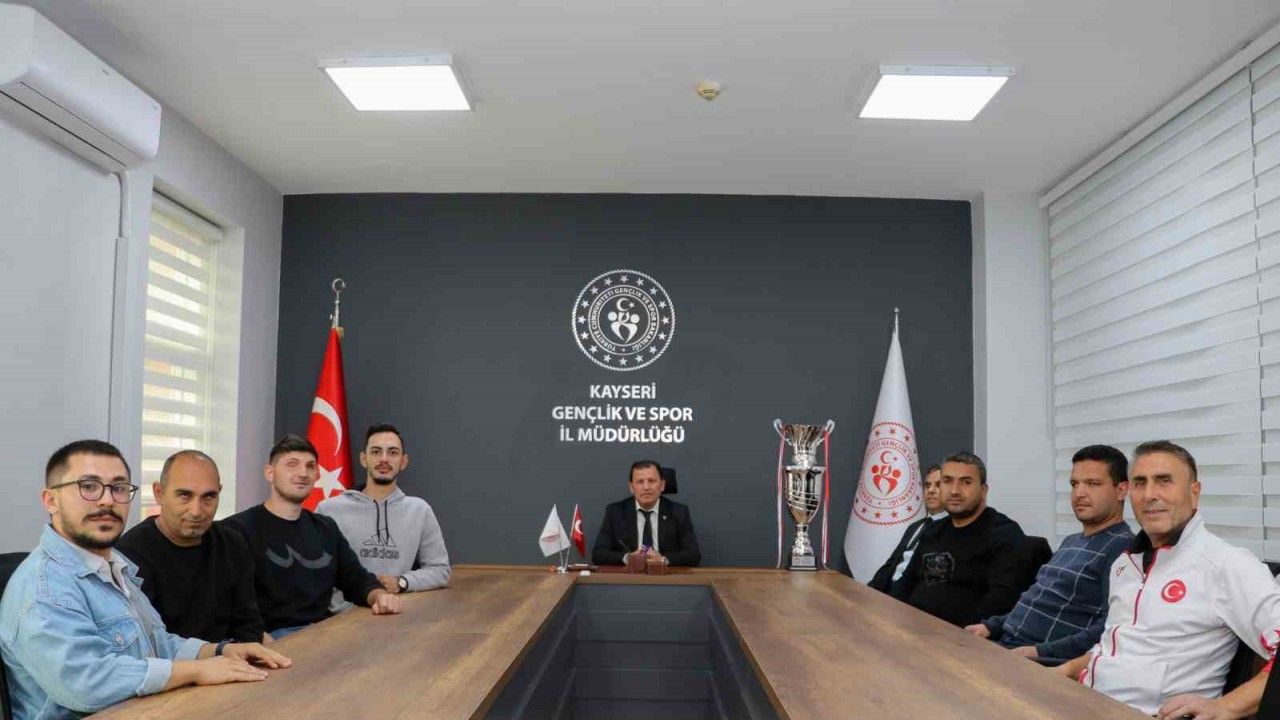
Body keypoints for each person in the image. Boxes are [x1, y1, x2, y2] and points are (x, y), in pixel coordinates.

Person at [0, 440, 290, 719]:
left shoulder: (114, 565)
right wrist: (198, 670)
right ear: (51, 500)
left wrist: (218, 651)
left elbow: (157, 643)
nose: (107, 500)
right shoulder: (43, 588)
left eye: (118, 488)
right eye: (88, 487)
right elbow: (87, 683)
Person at [1056, 440, 1280, 719]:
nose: (1150, 494)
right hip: (1084, 702)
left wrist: (1226, 706)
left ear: (1194, 493)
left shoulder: (1226, 564)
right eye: (1140, 483)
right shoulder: (1125, 564)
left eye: (1164, 481)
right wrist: (1065, 670)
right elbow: (1118, 649)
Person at [964, 445, 1133, 663]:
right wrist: (991, 626)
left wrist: (1039, 651)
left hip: (1040, 662)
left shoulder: (1122, 547)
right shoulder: (1070, 541)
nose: (1079, 493)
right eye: (1075, 484)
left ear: (1121, 490)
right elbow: (1038, 600)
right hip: (1006, 644)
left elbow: (1109, 628)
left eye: (1092, 484)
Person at [226, 434, 402, 639]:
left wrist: (378, 595)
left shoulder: (326, 528)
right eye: (292, 464)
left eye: (310, 466)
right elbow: (228, 604)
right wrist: (255, 637)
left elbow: (356, 579)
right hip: (270, 640)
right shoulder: (237, 530)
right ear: (269, 473)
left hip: (323, 634)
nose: (303, 473)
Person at [116, 450, 266, 643]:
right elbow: (145, 643)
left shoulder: (232, 543)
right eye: (185, 495)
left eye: (208, 497)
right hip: (171, 661)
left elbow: (249, 625)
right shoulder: (129, 556)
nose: (196, 511)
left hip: (233, 656)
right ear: (159, 493)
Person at [316, 424, 450, 608]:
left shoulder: (420, 510)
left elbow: (440, 570)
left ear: (403, 461)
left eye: (393, 452)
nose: (384, 459)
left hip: (396, 614)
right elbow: (313, 572)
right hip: (340, 617)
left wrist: (402, 582)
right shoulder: (329, 509)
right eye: (376, 452)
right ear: (364, 459)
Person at [890, 450, 1026, 627]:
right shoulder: (933, 530)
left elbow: (1000, 604)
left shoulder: (1004, 534)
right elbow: (904, 585)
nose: (954, 490)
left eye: (966, 482)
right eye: (947, 481)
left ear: (983, 491)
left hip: (959, 637)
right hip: (909, 627)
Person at [591, 460, 701, 567]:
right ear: (631, 487)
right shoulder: (615, 511)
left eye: (651, 481)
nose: (646, 487)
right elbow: (598, 554)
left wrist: (663, 560)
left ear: (662, 485)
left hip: (665, 575)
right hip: (629, 576)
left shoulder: (678, 512)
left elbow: (693, 555)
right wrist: (628, 558)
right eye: (640, 482)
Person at [868, 463, 945, 592]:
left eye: (938, 485)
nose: (931, 490)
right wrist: (867, 591)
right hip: (886, 595)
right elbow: (890, 565)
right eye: (927, 485)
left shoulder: (951, 529)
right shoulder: (915, 527)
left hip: (912, 599)